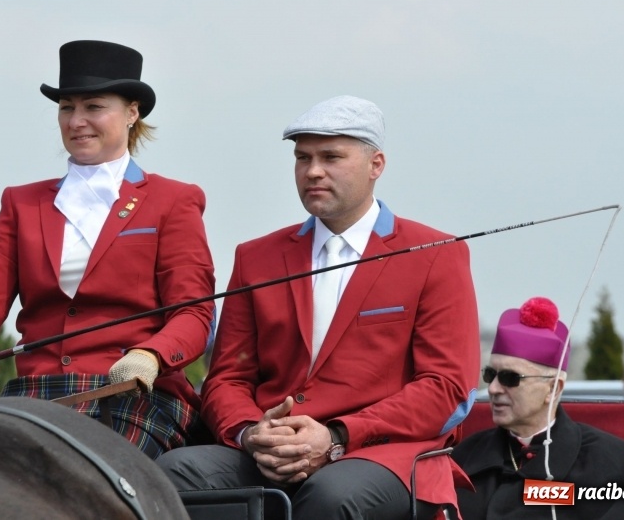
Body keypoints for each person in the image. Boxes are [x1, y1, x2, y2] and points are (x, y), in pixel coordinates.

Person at [156, 95, 480, 519]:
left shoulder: (436, 253)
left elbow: (448, 388)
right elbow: (227, 379)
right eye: (302, 157)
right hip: (270, 449)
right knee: (174, 472)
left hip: (380, 453)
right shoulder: (256, 257)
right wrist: (251, 433)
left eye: (331, 157)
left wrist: (337, 436)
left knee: (332, 496)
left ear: (376, 165)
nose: (313, 171)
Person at [0, 40, 215, 459]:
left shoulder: (173, 200)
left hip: (134, 392)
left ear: (133, 112)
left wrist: (151, 355)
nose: (77, 121)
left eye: (94, 107)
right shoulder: (21, 203)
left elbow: (193, 311)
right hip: (37, 392)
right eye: (67, 107)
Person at [452, 297, 624, 519]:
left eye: (510, 378)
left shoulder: (614, 462)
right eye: (490, 375)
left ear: (553, 388)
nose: (493, 389)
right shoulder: (464, 458)